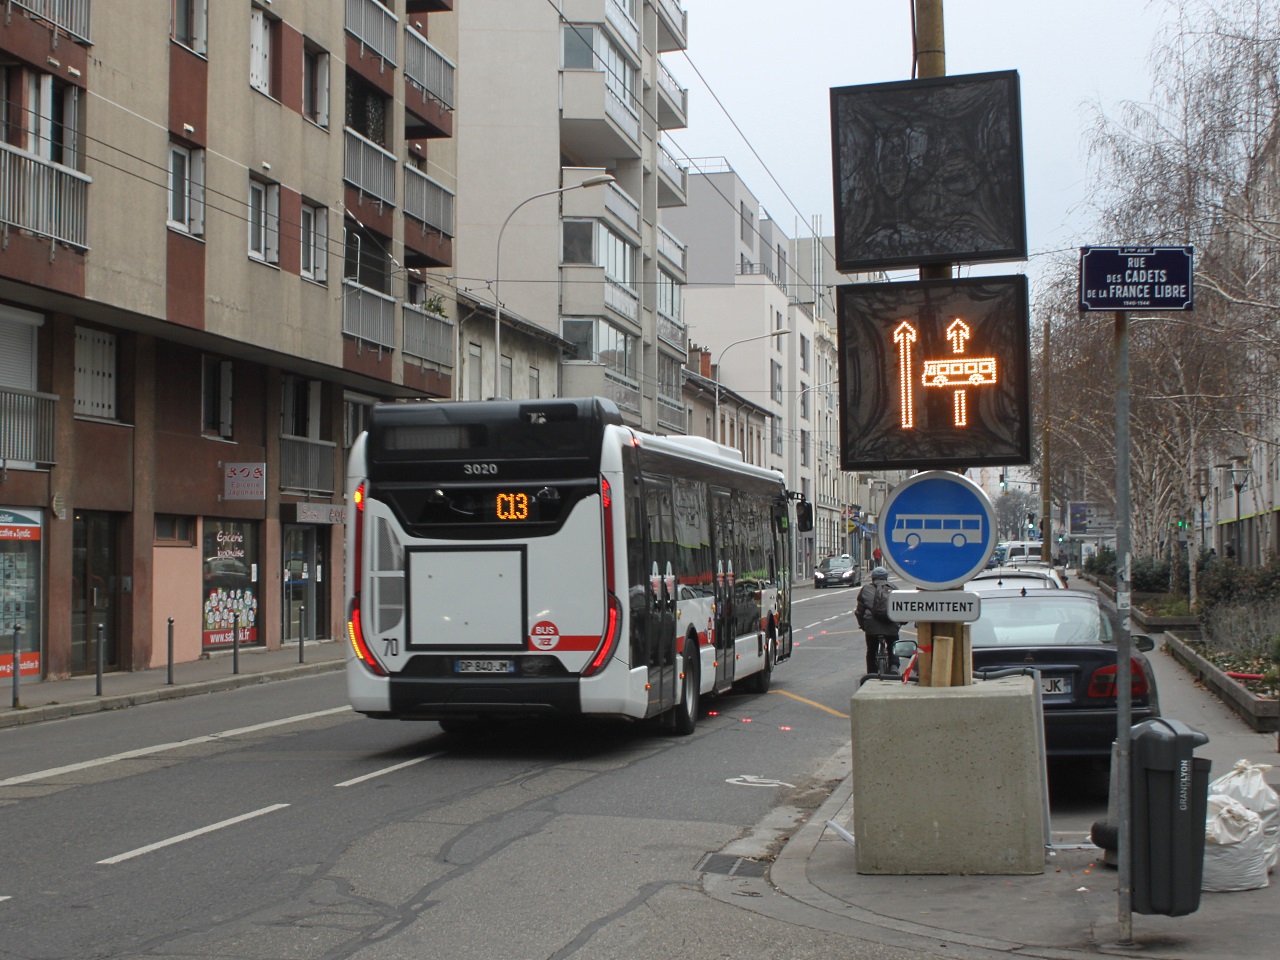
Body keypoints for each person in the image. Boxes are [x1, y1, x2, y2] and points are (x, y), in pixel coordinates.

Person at [855, 567, 900, 674]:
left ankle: (872, 673)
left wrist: (863, 625)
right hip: (890, 624)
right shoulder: (894, 588)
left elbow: (859, 611)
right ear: (886, 577)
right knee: (893, 644)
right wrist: (900, 622)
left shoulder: (865, 589)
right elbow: (899, 608)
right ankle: (894, 666)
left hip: (871, 626)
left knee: (871, 649)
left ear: (872, 577)